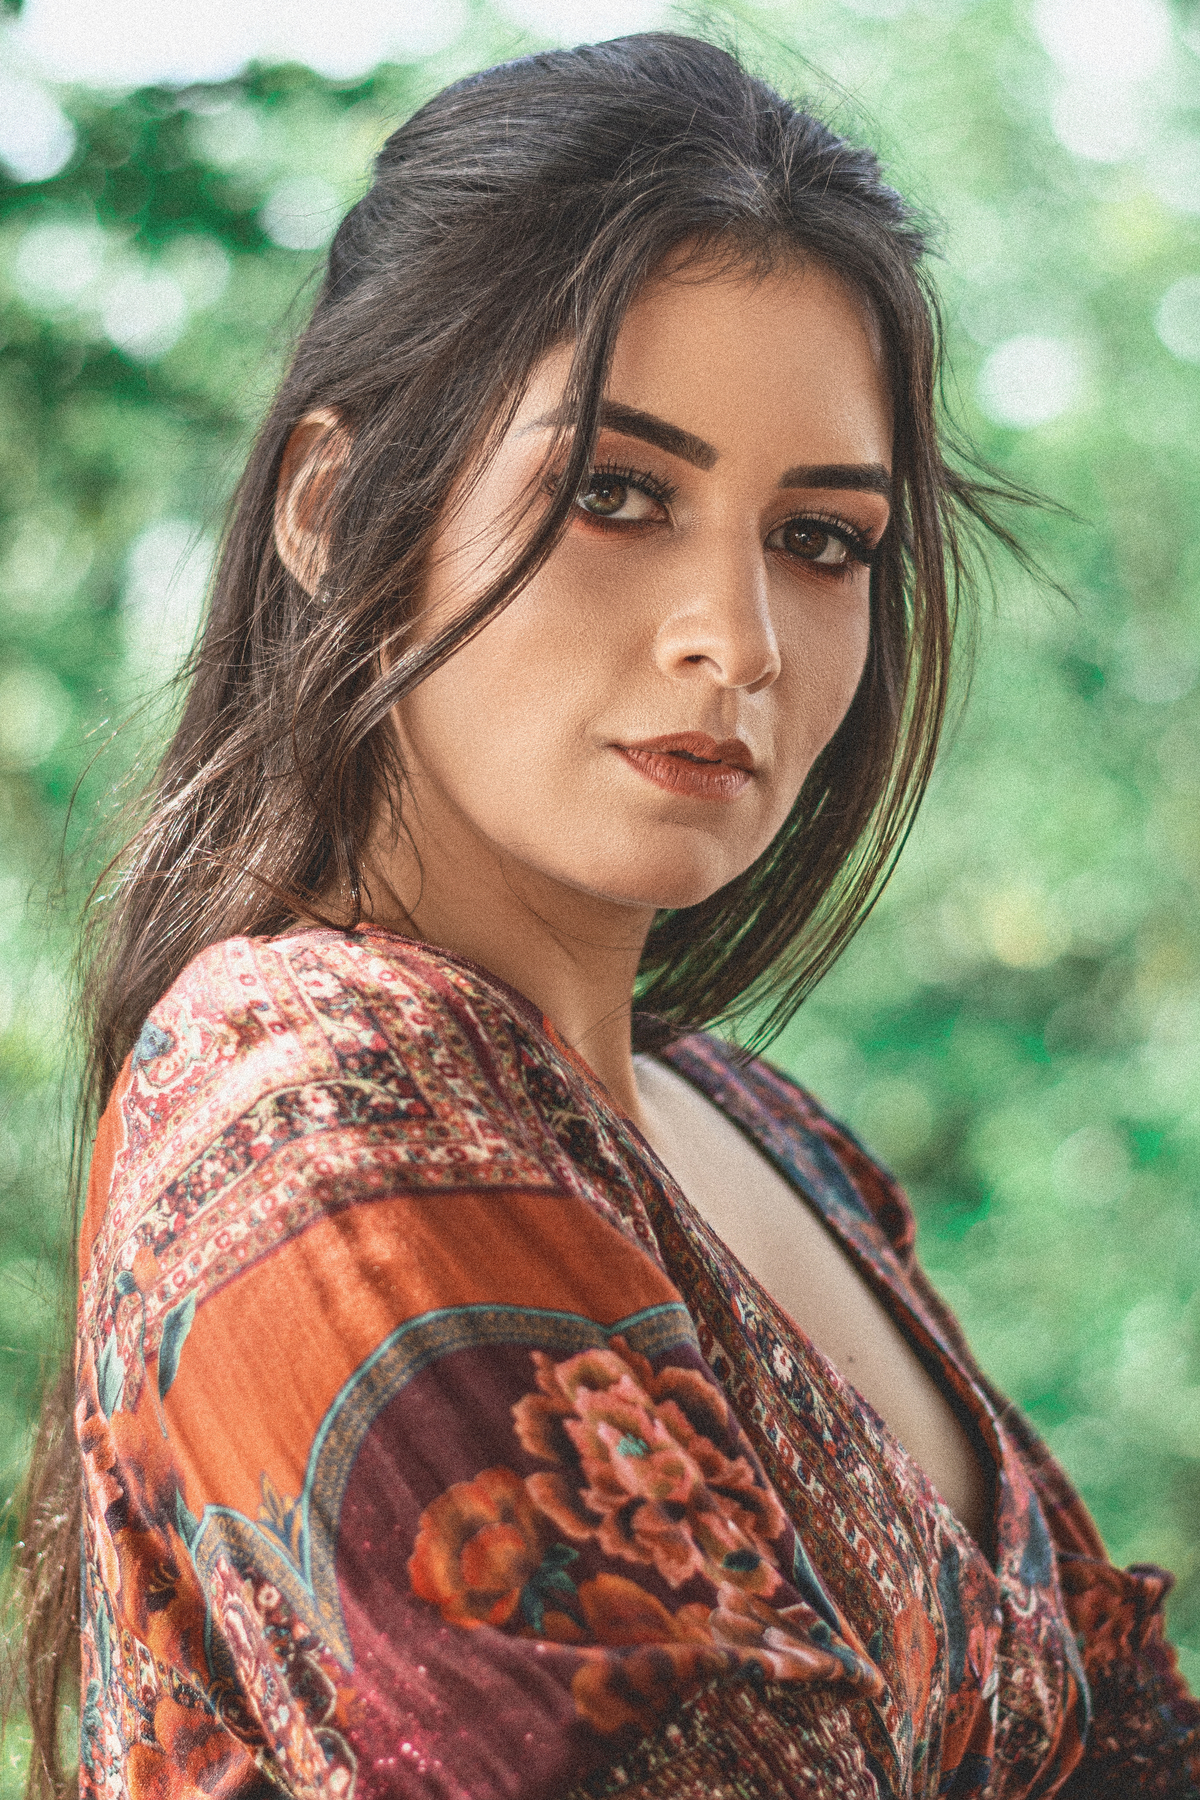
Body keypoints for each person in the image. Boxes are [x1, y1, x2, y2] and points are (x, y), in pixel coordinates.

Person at [11, 32, 1199, 1800]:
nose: (740, 638)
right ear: (339, 514)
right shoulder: (311, 1106)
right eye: (616, 496)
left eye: (821, 539)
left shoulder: (762, 1128)